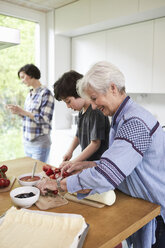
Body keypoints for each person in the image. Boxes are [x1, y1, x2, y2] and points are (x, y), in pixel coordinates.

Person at [37, 61, 165, 248]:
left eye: (95, 98)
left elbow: (106, 177)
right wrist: (87, 165)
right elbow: (122, 164)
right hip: (143, 204)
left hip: (157, 212)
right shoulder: (122, 117)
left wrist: (58, 185)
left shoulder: (134, 123)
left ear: (113, 88)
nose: (94, 106)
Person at [53, 70, 110, 163]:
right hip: (87, 163)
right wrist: (69, 152)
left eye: (68, 101)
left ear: (80, 93)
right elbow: (78, 135)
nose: (68, 106)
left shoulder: (95, 111)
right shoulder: (82, 111)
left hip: (98, 164)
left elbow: (95, 144)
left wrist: (73, 163)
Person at [7, 64, 54, 162]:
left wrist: (22, 111)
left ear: (31, 75)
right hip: (27, 142)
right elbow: (28, 117)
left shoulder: (46, 93)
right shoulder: (30, 94)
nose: (22, 80)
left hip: (40, 143)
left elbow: (45, 119)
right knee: (30, 175)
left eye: (23, 77)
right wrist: (18, 112)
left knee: (38, 173)